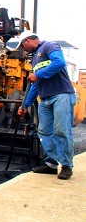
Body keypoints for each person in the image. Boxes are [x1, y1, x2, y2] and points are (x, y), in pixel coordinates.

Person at [17, 30, 76, 180]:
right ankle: (51, 164)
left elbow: (59, 63)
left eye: (23, 45)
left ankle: (66, 166)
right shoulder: (35, 60)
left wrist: (38, 75)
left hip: (61, 95)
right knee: (44, 131)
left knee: (61, 130)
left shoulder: (50, 46)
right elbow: (35, 86)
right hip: (45, 99)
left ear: (28, 40)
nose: (23, 49)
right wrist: (26, 105)